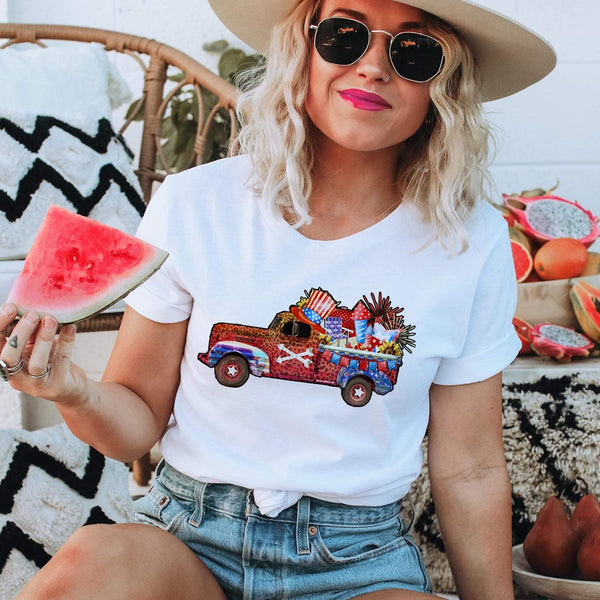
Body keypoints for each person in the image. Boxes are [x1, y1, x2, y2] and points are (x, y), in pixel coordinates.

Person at [1, 0, 555, 598]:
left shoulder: (470, 239)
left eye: (413, 51)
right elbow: (134, 425)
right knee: (90, 568)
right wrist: (71, 389)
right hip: (189, 540)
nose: (372, 67)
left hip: (356, 561)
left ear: (444, 85)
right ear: (303, 50)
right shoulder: (195, 203)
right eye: (345, 36)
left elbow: (469, 468)